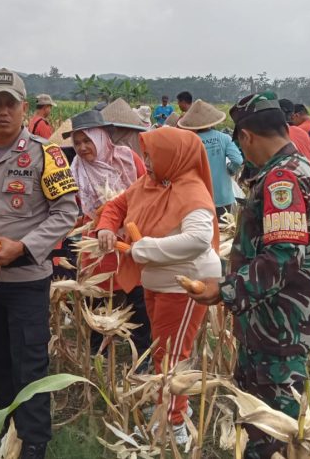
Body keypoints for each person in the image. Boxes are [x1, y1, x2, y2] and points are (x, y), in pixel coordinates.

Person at [185, 92, 310, 459]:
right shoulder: (296, 168)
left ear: (246, 136)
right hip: (272, 323)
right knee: (260, 422)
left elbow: (282, 256)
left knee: (272, 432)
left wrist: (226, 291)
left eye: (240, 142)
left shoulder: (282, 180)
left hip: (277, 326)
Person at [0, 69, 79, 459]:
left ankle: (33, 443)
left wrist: (22, 247)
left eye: (11, 104)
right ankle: (9, 422)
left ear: (24, 108)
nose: (4, 111)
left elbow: (66, 212)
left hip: (26, 281)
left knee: (30, 365)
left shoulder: (47, 154)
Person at [96, 127, 221, 446]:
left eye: (152, 156)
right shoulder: (149, 185)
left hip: (184, 286)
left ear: (173, 156)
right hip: (156, 282)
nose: (146, 162)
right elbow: (116, 207)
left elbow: (198, 240)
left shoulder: (191, 191)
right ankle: (178, 408)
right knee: (163, 349)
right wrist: (106, 228)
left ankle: (172, 427)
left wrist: (144, 249)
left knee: (171, 356)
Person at [65, 109, 152, 360]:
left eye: (87, 140)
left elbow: (146, 191)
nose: (82, 148)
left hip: (130, 235)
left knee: (137, 295)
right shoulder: (75, 170)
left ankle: (141, 352)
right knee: (99, 295)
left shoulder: (128, 158)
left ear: (102, 137)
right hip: (96, 241)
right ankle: (98, 352)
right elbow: (74, 207)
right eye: (77, 142)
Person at [177, 99, 243, 219]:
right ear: (213, 121)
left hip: (198, 198)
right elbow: (238, 160)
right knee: (224, 232)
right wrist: (231, 170)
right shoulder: (224, 138)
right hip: (223, 196)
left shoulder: (190, 141)